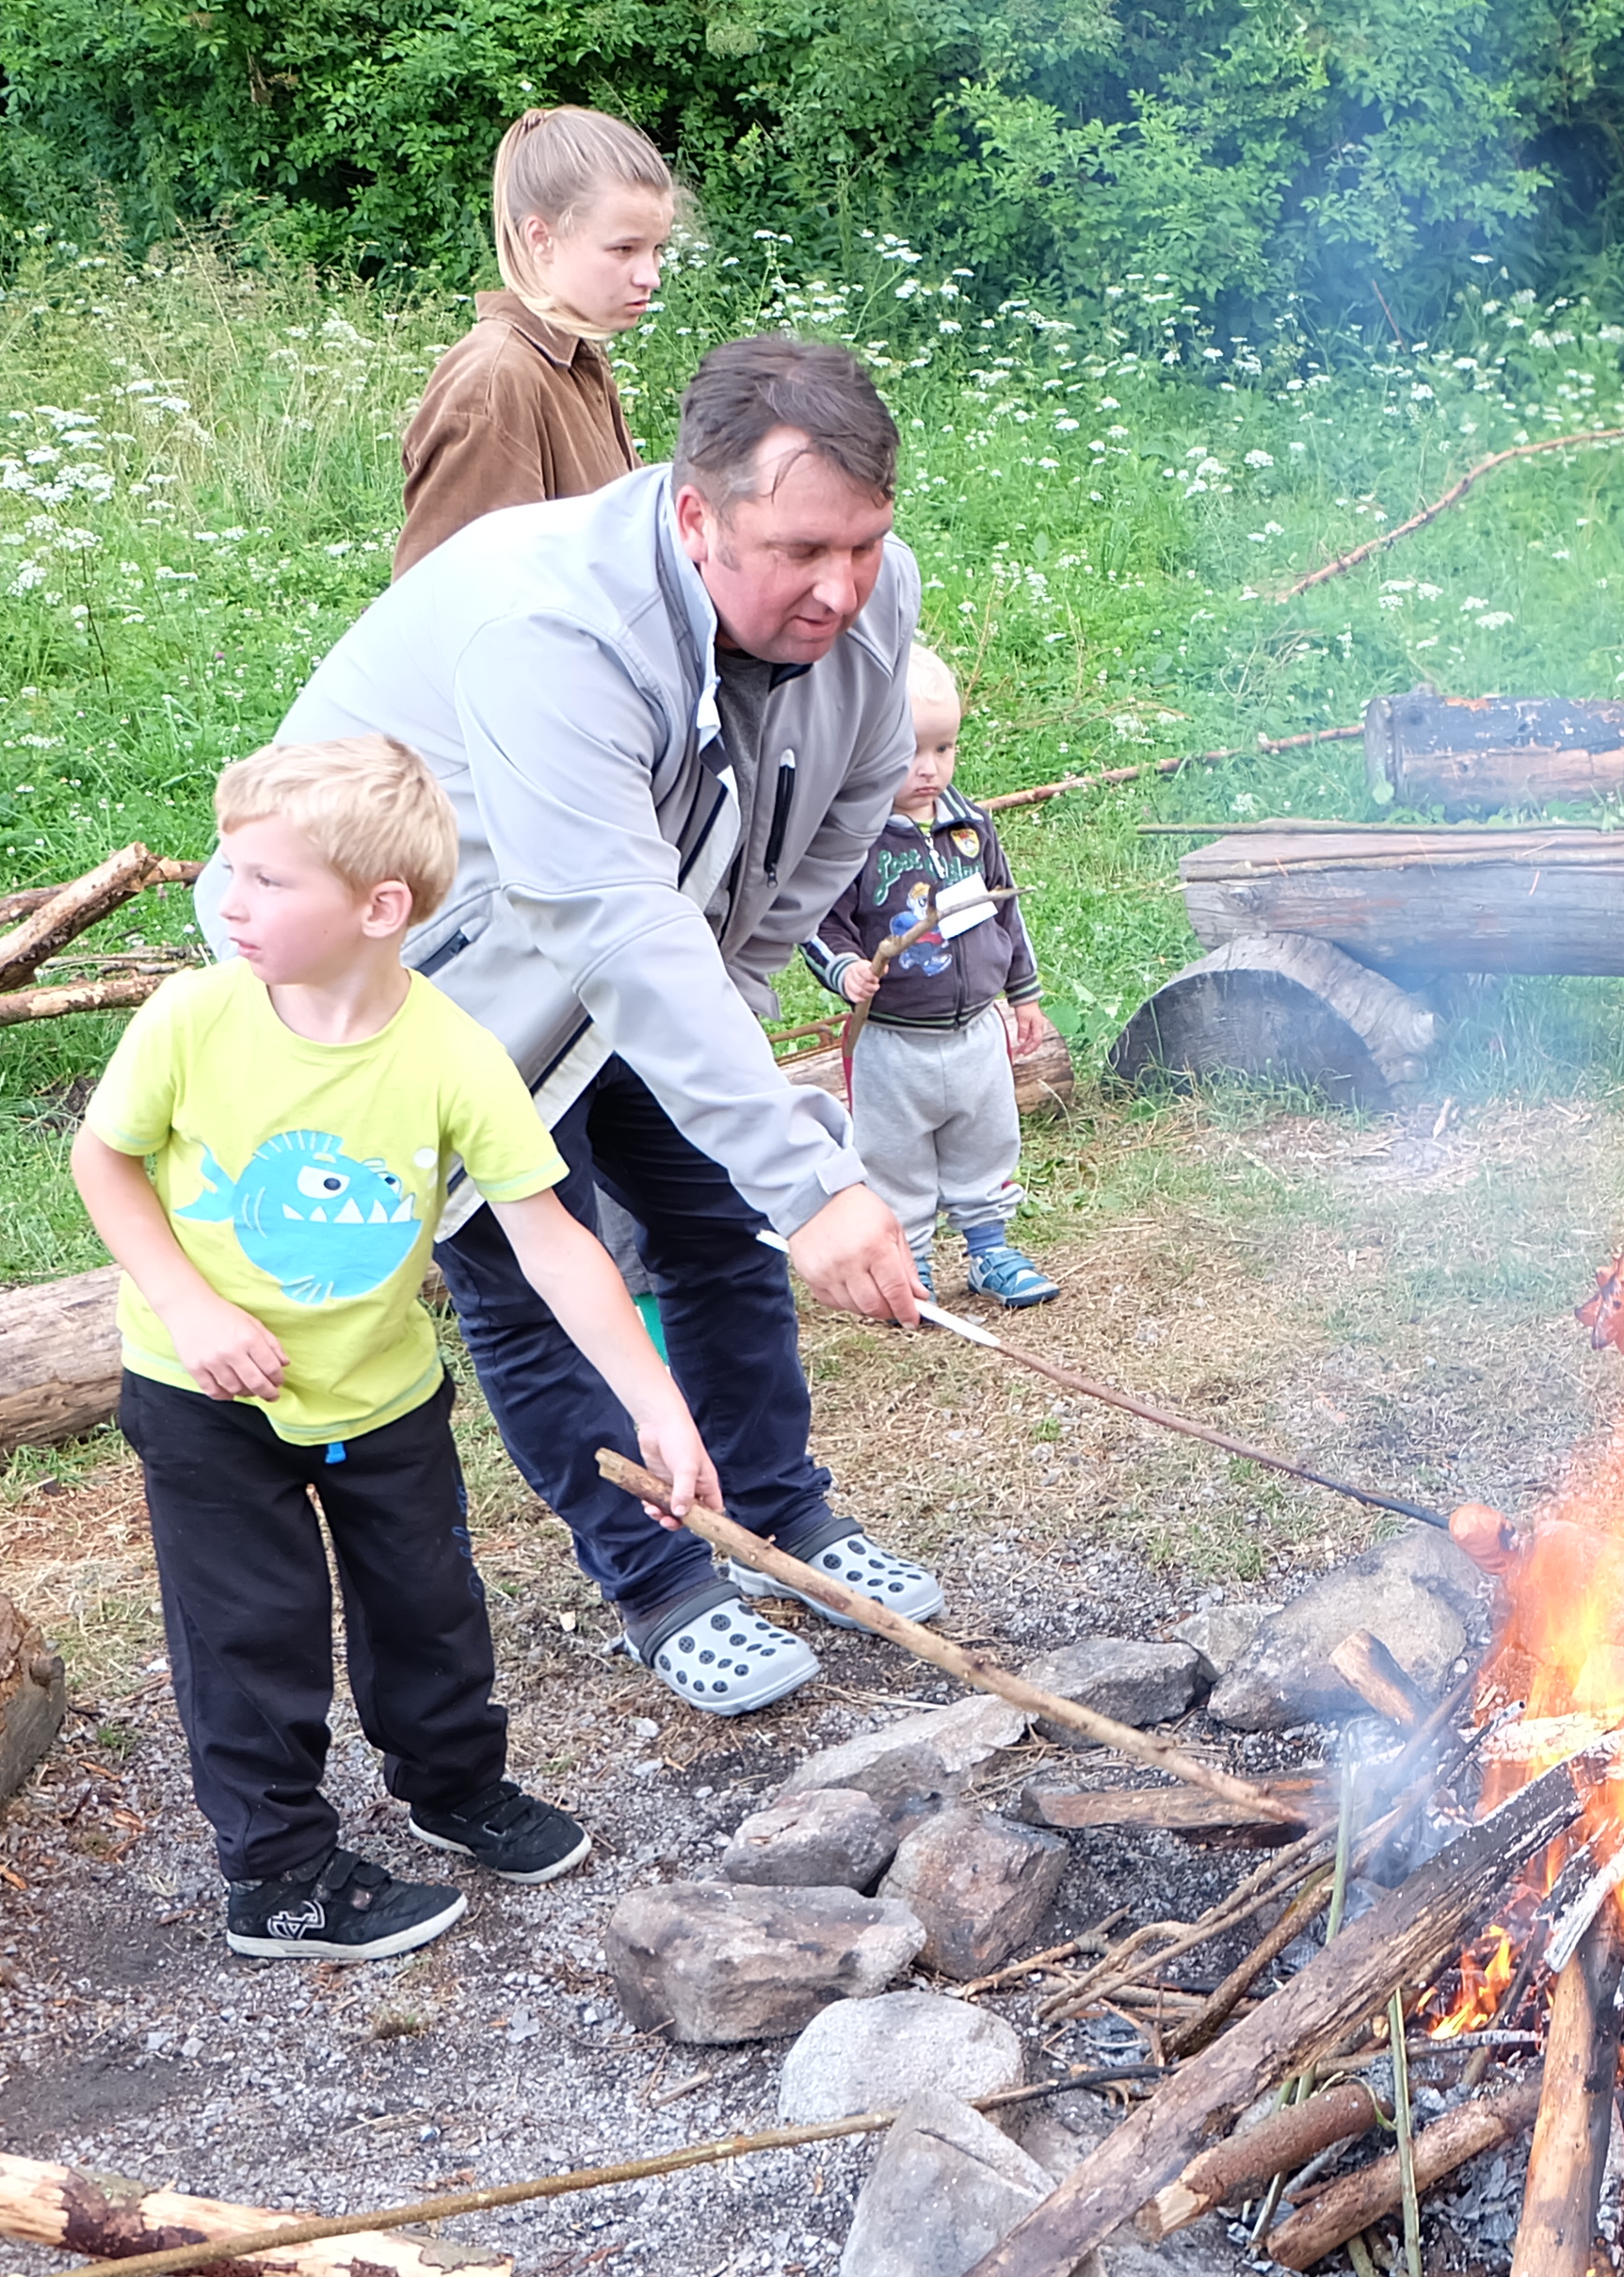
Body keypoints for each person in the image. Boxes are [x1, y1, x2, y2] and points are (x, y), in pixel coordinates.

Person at [214, 334, 938, 1723]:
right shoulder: (548, 621)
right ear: (692, 512)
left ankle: (780, 1514)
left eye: (864, 542)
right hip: (426, 959)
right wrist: (817, 1179)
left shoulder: (865, 595)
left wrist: (736, 1002)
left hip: (643, 934)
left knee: (720, 1220)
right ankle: (662, 1579)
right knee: (535, 1266)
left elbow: (841, 806)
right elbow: (601, 918)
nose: (840, 588)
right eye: (799, 549)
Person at [76, 739, 720, 1961]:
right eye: (231, 871)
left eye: (270, 881)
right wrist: (190, 1305)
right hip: (204, 1390)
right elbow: (103, 1161)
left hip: (382, 1392)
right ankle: (281, 1877)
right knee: (253, 1627)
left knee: (430, 1606)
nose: (230, 902)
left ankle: (452, 1785)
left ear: (381, 909)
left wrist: (654, 1401)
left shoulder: (452, 1051)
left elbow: (552, 1235)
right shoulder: (194, 1016)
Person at [802, 644, 1063, 1308]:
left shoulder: (972, 827)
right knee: (895, 1155)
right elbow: (813, 922)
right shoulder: (850, 839)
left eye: (943, 749)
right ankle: (910, 1261)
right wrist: (847, 969)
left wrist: (1023, 997)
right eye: (909, 753)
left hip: (976, 1029)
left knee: (987, 1138)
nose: (929, 769)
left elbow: (1005, 910)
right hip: (895, 1040)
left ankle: (990, 1250)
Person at [393, 107, 680, 575]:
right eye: (624, 249)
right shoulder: (493, 383)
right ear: (540, 238)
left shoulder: (576, 357)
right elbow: (457, 611)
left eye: (657, 249)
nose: (651, 276)